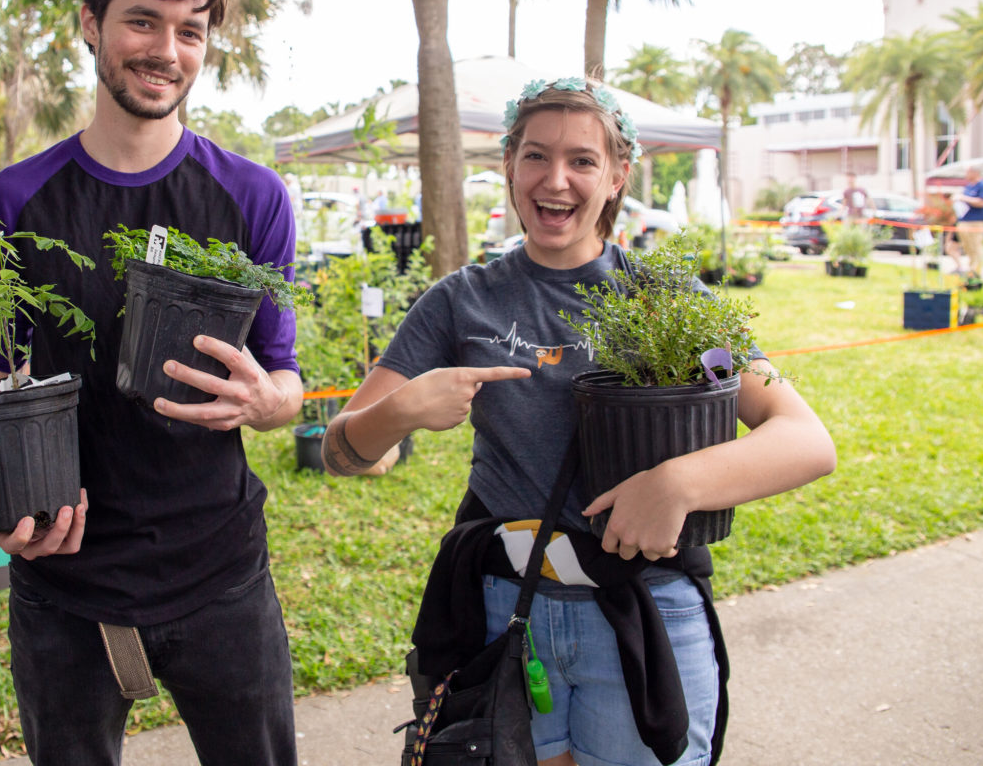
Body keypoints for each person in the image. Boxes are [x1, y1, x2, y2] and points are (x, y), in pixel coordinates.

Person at [322, 80, 836, 766]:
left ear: (619, 174)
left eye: (582, 161)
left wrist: (679, 481)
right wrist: (402, 410)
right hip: (508, 615)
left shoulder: (671, 307)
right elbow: (341, 450)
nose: (554, 180)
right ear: (508, 165)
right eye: (535, 156)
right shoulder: (460, 304)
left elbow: (803, 438)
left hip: (644, 613)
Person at [0, 0, 303, 766]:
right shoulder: (15, 201)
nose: (168, 50)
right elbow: (4, 378)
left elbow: (288, 383)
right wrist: (0, 503)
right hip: (63, 577)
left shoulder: (250, 197)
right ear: (89, 24)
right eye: (143, 20)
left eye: (192, 29)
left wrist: (265, 402)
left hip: (219, 573)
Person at [954, 166, 983, 280]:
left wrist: (964, 198)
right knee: (967, 245)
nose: (966, 174)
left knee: (976, 245)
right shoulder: (968, 186)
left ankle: (976, 271)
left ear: (974, 173)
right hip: (964, 220)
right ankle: (971, 268)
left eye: (967, 172)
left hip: (976, 221)